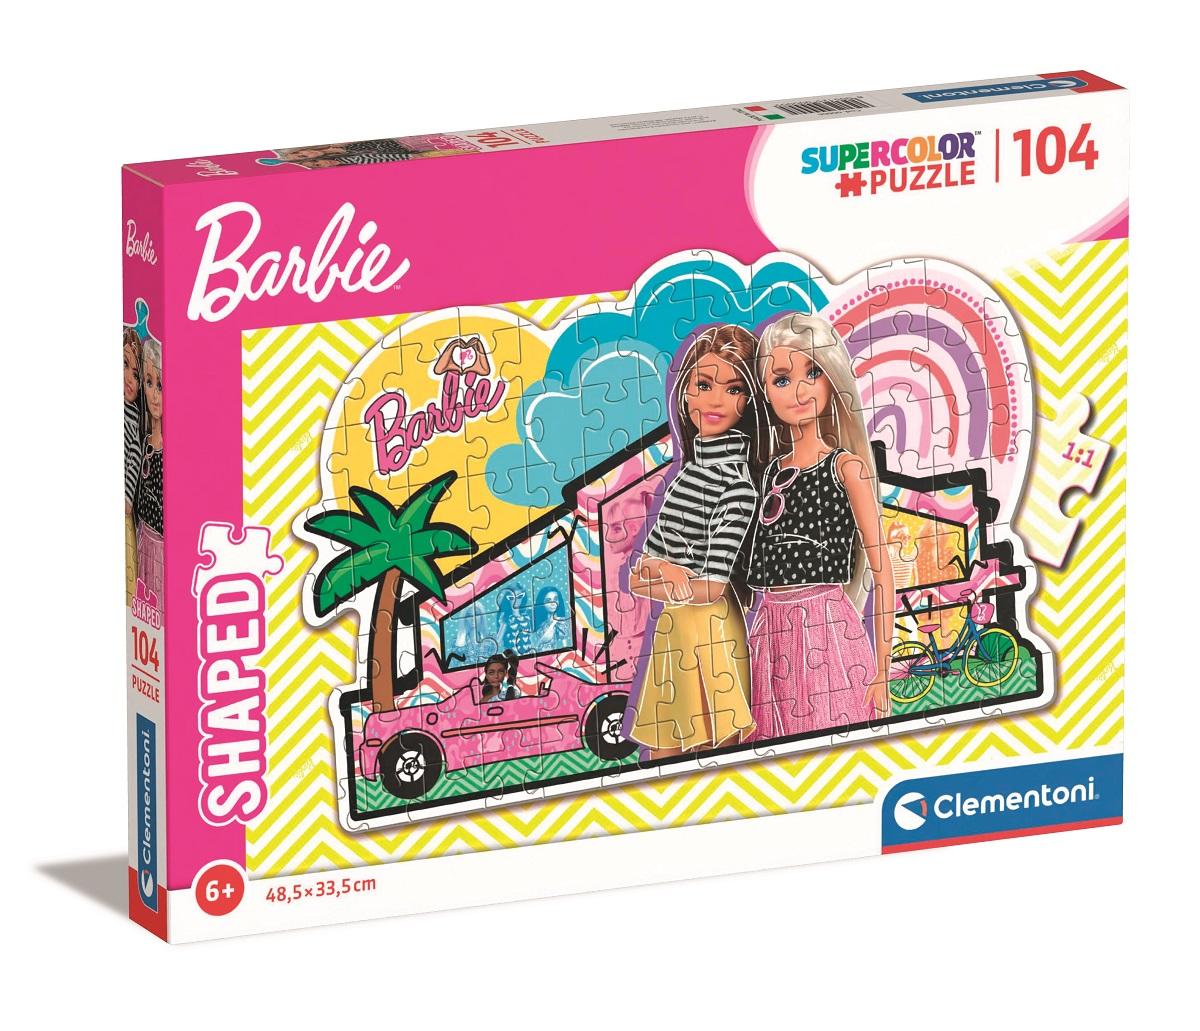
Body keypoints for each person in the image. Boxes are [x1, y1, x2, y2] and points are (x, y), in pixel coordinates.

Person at [745, 314, 894, 739]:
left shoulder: (846, 468)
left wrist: (883, 670)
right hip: (769, 634)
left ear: (832, 378)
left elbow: (882, 572)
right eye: (782, 379)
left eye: (812, 373)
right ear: (766, 390)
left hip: (827, 629)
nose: (800, 390)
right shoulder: (769, 473)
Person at [626, 325, 768, 758]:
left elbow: (711, 588)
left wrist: (664, 573)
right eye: (703, 385)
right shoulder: (684, 477)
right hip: (673, 632)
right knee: (663, 758)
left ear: (749, 402)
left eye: (734, 388)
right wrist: (667, 570)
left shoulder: (737, 484)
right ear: (685, 393)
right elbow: (636, 579)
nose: (715, 400)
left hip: (712, 633)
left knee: (713, 760)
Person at [135, 335, 165, 603]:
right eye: (149, 382)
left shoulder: (170, 452)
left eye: (161, 385)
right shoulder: (145, 443)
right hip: (143, 539)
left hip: (162, 548)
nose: (154, 395)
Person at [123, 327, 143, 606]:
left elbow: (135, 456)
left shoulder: (134, 417)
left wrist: (127, 499)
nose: (129, 377)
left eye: (136, 375)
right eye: (124, 365)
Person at [532, 586, 571, 651]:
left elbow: (565, 645)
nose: (553, 603)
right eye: (548, 600)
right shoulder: (541, 625)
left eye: (555, 599)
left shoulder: (563, 623)